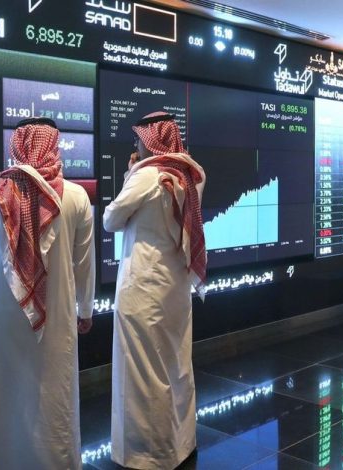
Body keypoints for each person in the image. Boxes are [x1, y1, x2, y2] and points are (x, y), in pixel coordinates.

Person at [0, 118, 95, 470]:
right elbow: (84, 263)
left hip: (1, 317)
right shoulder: (77, 196)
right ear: (54, 145)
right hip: (57, 316)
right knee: (51, 401)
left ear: (18, 145)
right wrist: (86, 309)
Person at [104, 111, 207, 469]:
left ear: (151, 140)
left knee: (144, 372)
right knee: (175, 365)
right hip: (175, 286)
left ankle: (149, 454)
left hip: (144, 286)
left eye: (139, 138)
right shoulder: (192, 173)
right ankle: (181, 443)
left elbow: (111, 219)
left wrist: (131, 174)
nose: (136, 144)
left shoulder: (147, 175)